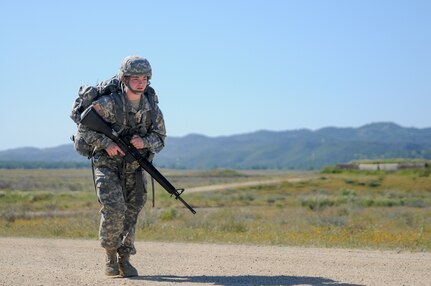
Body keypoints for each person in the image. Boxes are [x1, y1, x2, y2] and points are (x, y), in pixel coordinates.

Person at [80, 56, 166, 277]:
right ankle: (109, 256)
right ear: (124, 78)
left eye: (144, 78)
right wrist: (106, 143)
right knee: (114, 208)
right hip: (107, 164)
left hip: (135, 165)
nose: (140, 82)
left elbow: (160, 138)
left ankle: (124, 258)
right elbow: (84, 129)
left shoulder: (152, 108)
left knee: (133, 209)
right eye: (135, 78)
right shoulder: (108, 104)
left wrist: (144, 142)